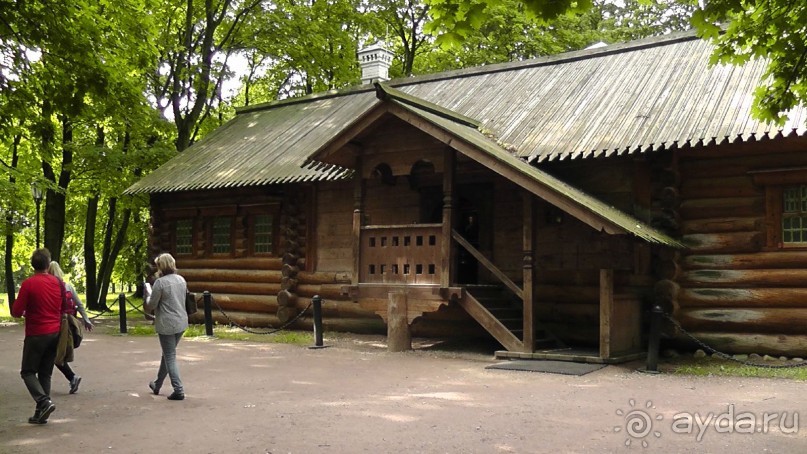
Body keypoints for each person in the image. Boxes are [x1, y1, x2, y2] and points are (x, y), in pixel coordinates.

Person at [11, 248, 61, 424]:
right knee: (45, 373)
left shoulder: (28, 284)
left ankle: (43, 401)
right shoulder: (57, 282)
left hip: (36, 333)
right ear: (48, 264)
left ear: (33, 265)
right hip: (55, 332)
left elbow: (16, 311)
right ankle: (41, 413)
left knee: (27, 371)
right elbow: (64, 307)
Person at [143, 252, 188, 400]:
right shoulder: (181, 280)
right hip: (181, 321)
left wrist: (148, 293)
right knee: (168, 354)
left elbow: (151, 305)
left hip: (166, 324)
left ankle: (178, 389)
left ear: (161, 266)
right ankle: (157, 384)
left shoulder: (160, 283)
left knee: (169, 355)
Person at [48, 261, 94, 394]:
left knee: (55, 354)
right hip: (69, 323)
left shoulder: (51, 287)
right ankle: (70, 377)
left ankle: (71, 377)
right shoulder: (68, 286)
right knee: (55, 353)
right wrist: (86, 320)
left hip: (56, 325)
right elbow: (79, 304)